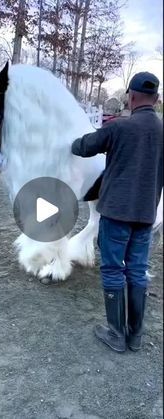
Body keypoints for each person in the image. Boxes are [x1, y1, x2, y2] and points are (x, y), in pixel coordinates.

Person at [71, 72, 163, 353]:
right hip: (146, 215)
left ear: (131, 98)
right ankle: (134, 336)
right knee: (137, 269)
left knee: (113, 269)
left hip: (115, 213)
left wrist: (71, 140)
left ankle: (116, 334)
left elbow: (83, 147)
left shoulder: (119, 128)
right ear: (157, 100)